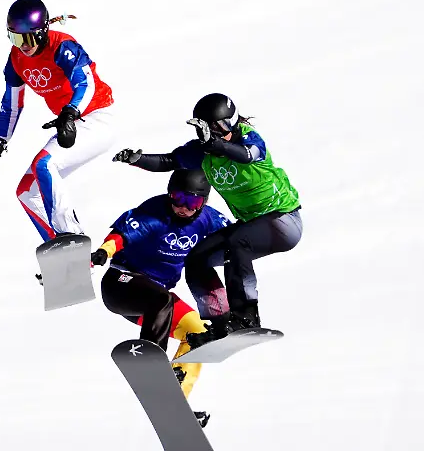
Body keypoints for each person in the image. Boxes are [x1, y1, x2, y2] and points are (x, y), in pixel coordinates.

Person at [112, 93, 303, 349]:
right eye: (211, 128)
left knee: (238, 242)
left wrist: (214, 143)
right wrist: (138, 159)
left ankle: (246, 318)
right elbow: (169, 161)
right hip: (252, 224)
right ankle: (221, 324)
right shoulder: (204, 151)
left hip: (283, 219)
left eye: (222, 126)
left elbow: (247, 155)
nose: (218, 132)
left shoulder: (247, 138)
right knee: (196, 259)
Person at [90, 169, 231, 427]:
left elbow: (236, 236)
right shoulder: (156, 213)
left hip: (157, 304)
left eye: (193, 203)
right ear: (169, 195)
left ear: (204, 203)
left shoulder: (209, 220)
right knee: (162, 299)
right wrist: (104, 251)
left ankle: (174, 406)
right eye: (178, 199)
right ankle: (151, 366)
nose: (184, 208)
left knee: (199, 335)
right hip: (121, 284)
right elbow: (122, 235)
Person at [0, 0, 115, 242]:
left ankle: (72, 237)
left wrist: (70, 112)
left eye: (26, 39)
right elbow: (12, 104)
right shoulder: (17, 59)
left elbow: (86, 83)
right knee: (27, 192)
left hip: (98, 116)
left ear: (41, 33)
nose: (22, 46)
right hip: (70, 122)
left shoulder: (62, 46)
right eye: (14, 38)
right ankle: (61, 254)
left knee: (44, 164)